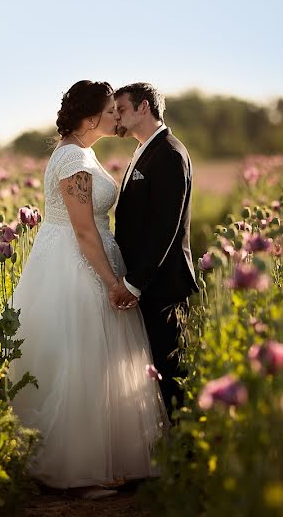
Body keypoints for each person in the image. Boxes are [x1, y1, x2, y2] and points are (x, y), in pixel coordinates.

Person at [8, 80, 168, 497]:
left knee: (95, 362)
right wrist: (112, 281)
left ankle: (105, 459)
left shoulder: (82, 153)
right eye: (110, 110)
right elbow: (82, 228)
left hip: (90, 253)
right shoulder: (74, 158)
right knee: (80, 360)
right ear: (91, 115)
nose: (117, 116)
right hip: (76, 261)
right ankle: (78, 467)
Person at [110, 82, 200, 416]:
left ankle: (186, 453)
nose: (116, 116)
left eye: (121, 109)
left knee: (171, 374)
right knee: (155, 372)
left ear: (143, 107)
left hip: (162, 286)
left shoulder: (169, 153)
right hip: (148, 283)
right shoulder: (146, 149)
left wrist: (135, 283)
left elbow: (165, 229)